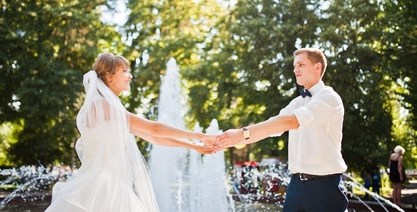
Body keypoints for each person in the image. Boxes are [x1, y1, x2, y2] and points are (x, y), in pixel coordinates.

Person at [46, 53, 216, 212]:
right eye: (125, 71)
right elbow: (154, 128)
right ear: (109, 76)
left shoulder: (108, 107)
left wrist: (194, 146)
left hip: (109, 184)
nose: (130, 76)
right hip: (101, 186)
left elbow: (153, 137)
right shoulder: (103, 105)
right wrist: (201, 136)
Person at [216, 48, 348, 212]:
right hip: (296, 186)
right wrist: (229, 140)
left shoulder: (329, 98)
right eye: (294, 66)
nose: (295, 70)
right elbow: (272, 127)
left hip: (324, 187)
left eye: (301, 64)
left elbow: (290, 121)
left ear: (317, 67)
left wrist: (243, 132)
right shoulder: (297, 102)